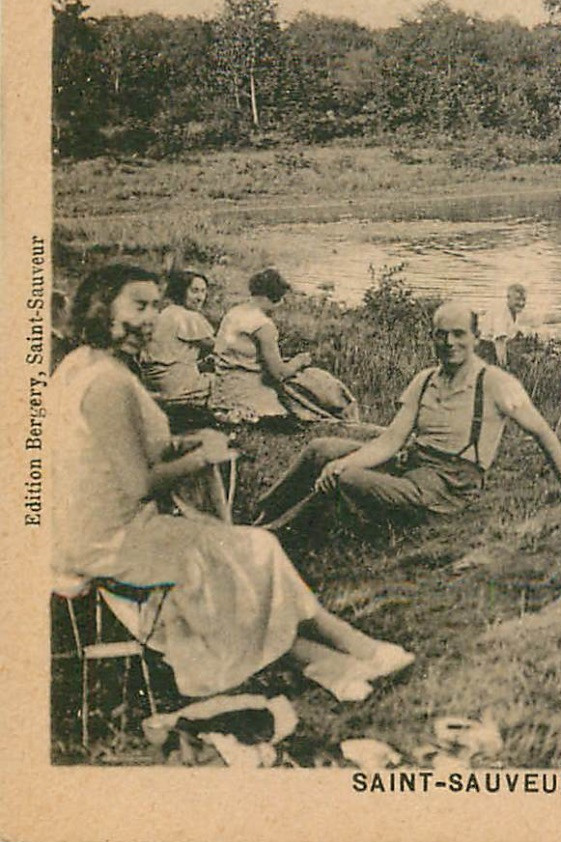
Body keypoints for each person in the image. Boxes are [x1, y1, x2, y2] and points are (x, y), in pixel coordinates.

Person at [51, 264, 412, 703]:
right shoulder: (109, 382)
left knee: (236, 552)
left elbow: (111, 453)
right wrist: (204, 456)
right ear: (101, 306)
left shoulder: (80, 364)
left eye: (155, 307)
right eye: (139, 305)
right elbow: (139, 482)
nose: (150, 318)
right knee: (253, 549)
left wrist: (184, 442)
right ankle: (353, 646)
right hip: (110, 540)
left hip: (86, 530)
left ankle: (330, 662)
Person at [253, 300, 561, 530]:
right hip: (411, 465)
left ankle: (278, 534)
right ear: (432, 338)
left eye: (459, 334)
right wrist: (343, 460)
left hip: (448, 489)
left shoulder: (496, 383)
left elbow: (543, 433)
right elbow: (391, 440)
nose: (449, 343)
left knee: (349, 479)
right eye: (441, 335)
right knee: (321, 451)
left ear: (476, 337)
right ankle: (261, 514)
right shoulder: (424, 380)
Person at [209, 268, 311, 425]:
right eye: (281, 298)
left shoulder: (234, 312)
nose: (282, 303)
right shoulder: (263, 325)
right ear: (273, 297)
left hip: (223, 389)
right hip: (246, 391)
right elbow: (279, 374)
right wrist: (300, 361)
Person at [141, 269, 215, 415]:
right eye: (194, 291)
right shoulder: (187, 317)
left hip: (156, 385)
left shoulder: (166, 313)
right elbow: (222, 348)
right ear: (181, 291)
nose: (200, 297)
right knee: (233, 380)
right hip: (177, 388)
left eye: (203, 291)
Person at [483, 283, 545, 367]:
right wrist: (503, 368)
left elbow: (539, 319)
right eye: (517, 299)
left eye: (523, 300)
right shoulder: (501, 312)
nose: (521, 303)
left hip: (497, 347)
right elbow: (499, 341)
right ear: (508, 298)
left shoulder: (515, 312)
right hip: (486, 349)